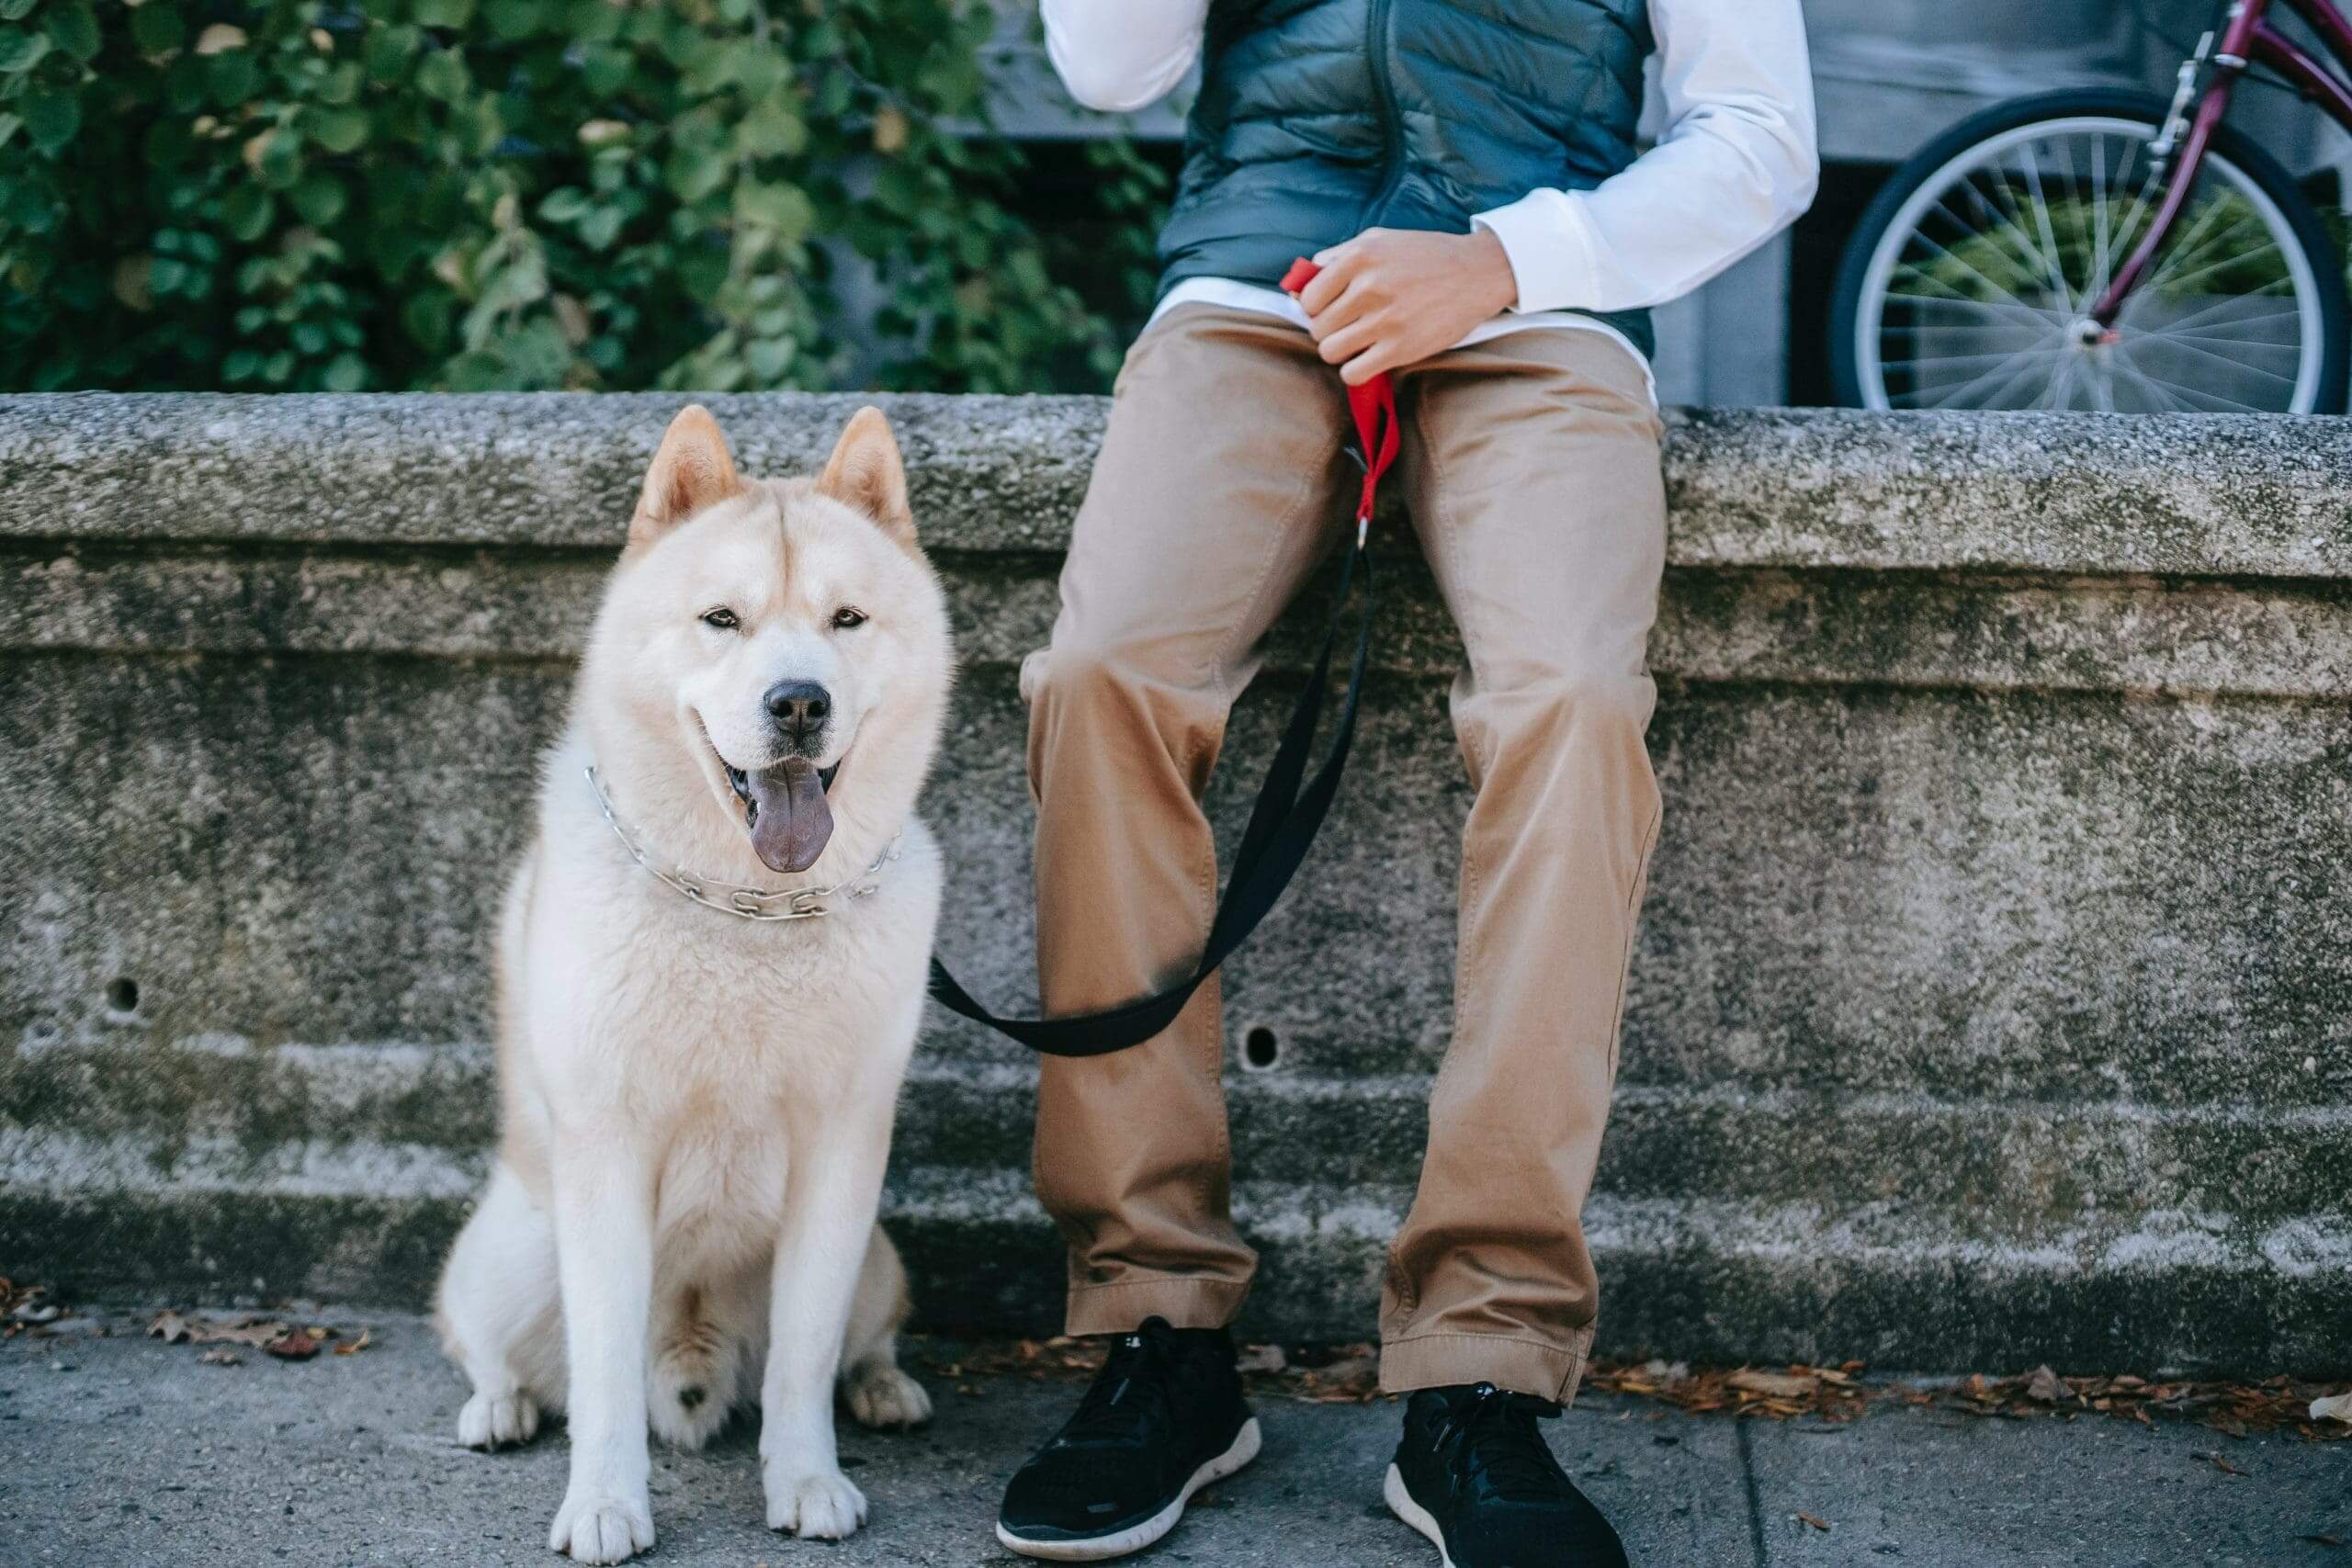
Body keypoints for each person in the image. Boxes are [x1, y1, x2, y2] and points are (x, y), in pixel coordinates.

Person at [996, 4, 1817, 1563]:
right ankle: (1158, 1329)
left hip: (1541, 316)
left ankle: (1483, 1371)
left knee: (1570, 706)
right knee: (1103, 678)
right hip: (1250, 293)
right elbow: (1106, 66)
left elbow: (1763, 138)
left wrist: (1511, 259)